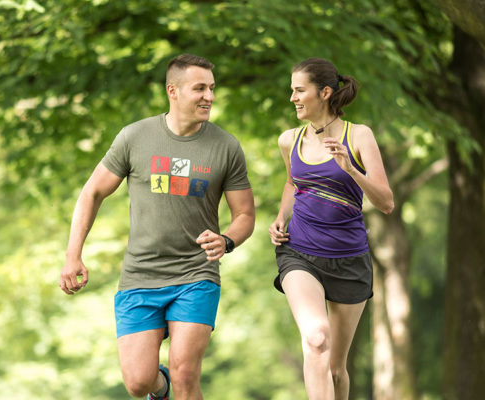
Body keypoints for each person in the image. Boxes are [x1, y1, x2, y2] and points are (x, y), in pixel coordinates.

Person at [59, 54, 255, 400]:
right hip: (141, 275)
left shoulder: (226, 146)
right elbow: (92, 193)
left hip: (196, 276)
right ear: (173, 91)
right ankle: (158, 391)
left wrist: (227, 240)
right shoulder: (135, 137)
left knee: (185, 373)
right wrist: (73, 255)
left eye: (211, 88)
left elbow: (245, 216)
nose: (209, 96)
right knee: (138, 383)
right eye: (199, 88)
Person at [269, 58, 394, 400]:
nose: (292, 97)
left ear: (324, 92)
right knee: (316, 338)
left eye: (299, 90)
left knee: (337, 370)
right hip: (300, 253)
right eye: (291, 90)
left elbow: (386, 202)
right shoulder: (289, 140)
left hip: (349, 259)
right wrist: (281, 216)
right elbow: (293, 183)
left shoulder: (359, 135)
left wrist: (351, 169)